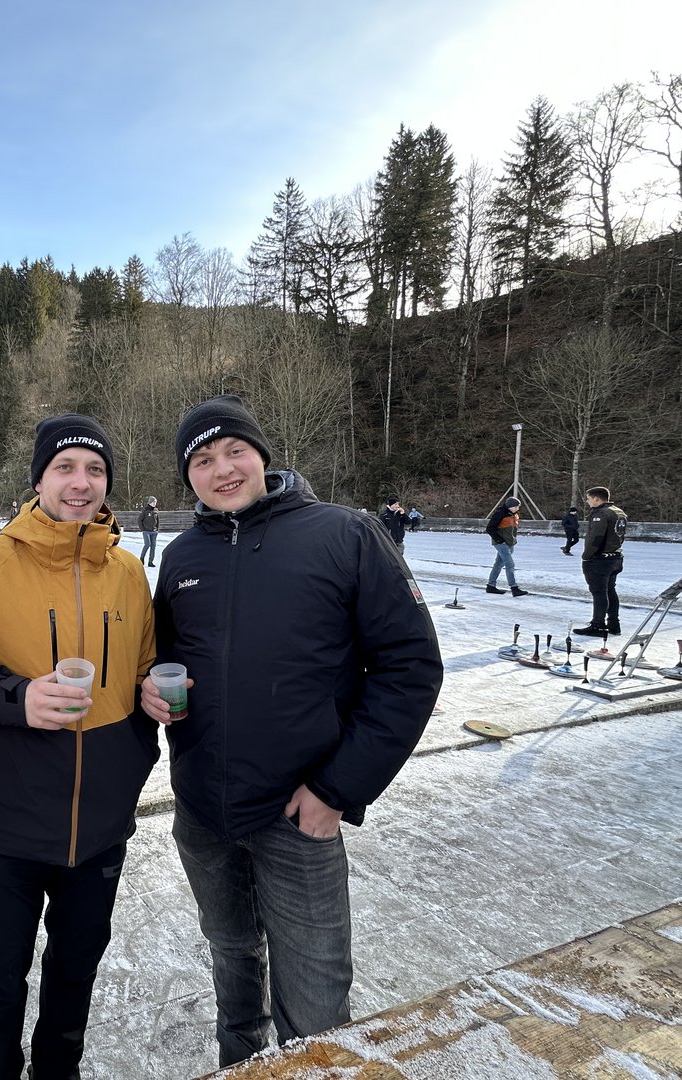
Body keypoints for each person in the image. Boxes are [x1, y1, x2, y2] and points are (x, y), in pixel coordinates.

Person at [140, 395, 442, 1067]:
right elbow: (165, 658)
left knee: (315, 1006)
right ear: (187, 476)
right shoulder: (184, 555)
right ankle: (239, 1065)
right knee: (232, 961)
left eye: (234, 451)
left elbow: (411, 668)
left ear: (262, 455)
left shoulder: (345, 534)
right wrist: (151, 690)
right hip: (203, 812)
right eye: (202, 460)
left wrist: (337, 790)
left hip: (298, 814)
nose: (222, 469)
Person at [0, 414, 158, 1080]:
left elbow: (142, 669)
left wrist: (149, 710)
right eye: (65, 467)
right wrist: (17, 699)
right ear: (39, 480)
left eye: (95, 469)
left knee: (76, 969)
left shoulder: (128, 573)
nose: (81, 482)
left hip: (101, 826)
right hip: (6, 824)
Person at [574, 486, 628, 637]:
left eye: (589, 498)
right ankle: (614, 624)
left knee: (599, 592)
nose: (587, 502)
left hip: (600, 559)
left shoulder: (601, 513)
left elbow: (596, 538)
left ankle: (598, 624)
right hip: (615, 556)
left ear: (596, 499)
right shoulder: (618, 512)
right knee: (610, 590)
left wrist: (586, 555)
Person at [485, 497, 529, 596]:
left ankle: (491, 586)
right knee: (510, 565)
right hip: (501, 544)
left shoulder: (514, 515)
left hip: (509, 543)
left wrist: (512, 541)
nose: (517, 508)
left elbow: (513, 530)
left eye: (518, 506)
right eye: (516, 507)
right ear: (510, 506)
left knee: (498, 564)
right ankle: (514, 588)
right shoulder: (500, 513)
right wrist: (500, 540)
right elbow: (489, 528)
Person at [138, 494, 161, 566]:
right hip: (146, 531)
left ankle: (150, 562)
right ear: (150, 502)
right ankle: (141, 558)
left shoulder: (156, 510)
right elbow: (139, 520)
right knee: (147, 544)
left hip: (154, 531)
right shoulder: (145, 510)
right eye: (153, 502)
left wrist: (157, 529)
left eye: (155, 502)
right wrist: (142, 529)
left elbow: (157, 520)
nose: (154, 503)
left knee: (153, 546)